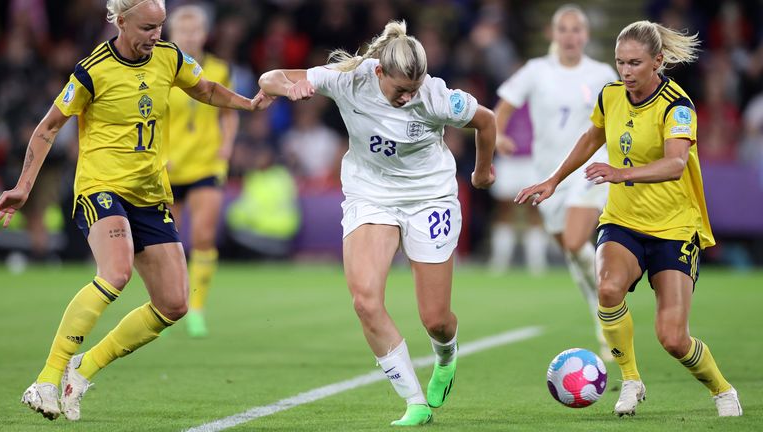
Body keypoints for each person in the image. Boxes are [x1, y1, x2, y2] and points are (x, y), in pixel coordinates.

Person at [0, 0, 269, 421]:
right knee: (116, 273)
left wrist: (247, 104)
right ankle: (46, 379)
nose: (155, 35)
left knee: (174, 304)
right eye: (146, 27)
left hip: (150, 192)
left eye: (160, 26)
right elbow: (49, 126)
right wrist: (23, 187)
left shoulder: (170, 57)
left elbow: (206, 89)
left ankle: (82, 369)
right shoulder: (92, 69)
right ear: (120, 22)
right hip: (100, 187)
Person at [258, 20, 496, 426]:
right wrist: (287, 87)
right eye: (401, 89)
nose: (408, 97)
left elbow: (487, 121)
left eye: (414, 88)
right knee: (365, 301)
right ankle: (415, 402)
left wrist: (482, 172)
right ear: (379, 72)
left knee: (435, 319)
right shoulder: (349, 81)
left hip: (429, 198)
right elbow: (271, 76)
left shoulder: (437, 96)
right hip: (371, 196)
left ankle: (446, 354)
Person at [516, 20, 742, 417]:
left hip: (674, 226)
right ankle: (631, 380)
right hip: (623, 219)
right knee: (607, 289)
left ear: (657, 61)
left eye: (635, 63)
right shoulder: (611, 95)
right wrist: (554, 180)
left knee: (673, 339)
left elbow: (674, 164)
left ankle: (723, 390)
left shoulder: (678, 105)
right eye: (620, 62)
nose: (626, 71)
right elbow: (592, 137)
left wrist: (620, 173)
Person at [492, 4, 618, 360]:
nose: (570, 36)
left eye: (576, 29)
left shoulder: (602, 73)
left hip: (590, 169)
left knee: (577, 239)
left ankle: (607, 302)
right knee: (575, 254)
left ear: (586, 35)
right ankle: (602, 310)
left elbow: (619, 114)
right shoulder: (536, 71)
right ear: (553, 34)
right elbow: (503, 106)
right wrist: (498, 134)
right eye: (563, 29)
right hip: (549, 176)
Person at [165, 4, 239, 338]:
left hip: (206, 163)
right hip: (168, 165)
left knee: (204, 235)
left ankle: (197, 309)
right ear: (172, 35)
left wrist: (226, 146)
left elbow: (228, 111)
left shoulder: (220, 70)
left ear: (204, 34)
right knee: (166, 242)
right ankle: (167, 307)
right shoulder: (160, 70)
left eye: (195, 30)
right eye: (183, 31)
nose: (190, 36)